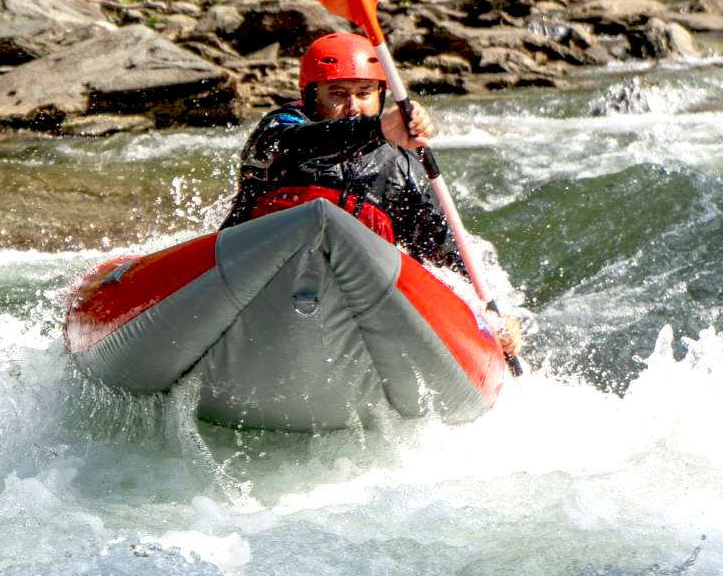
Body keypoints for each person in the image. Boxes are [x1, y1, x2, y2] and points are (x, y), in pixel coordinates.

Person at [222, 32, 522, 356]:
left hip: (353, 304)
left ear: (381, 94)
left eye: (364, 93)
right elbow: (296, 146)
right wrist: (378, 128)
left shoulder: (398, 165)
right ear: (310, 97)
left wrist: (492, 313)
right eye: (337, 94)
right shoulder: (281, 131)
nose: (353, 107)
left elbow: (444, 248)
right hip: (256, 280)